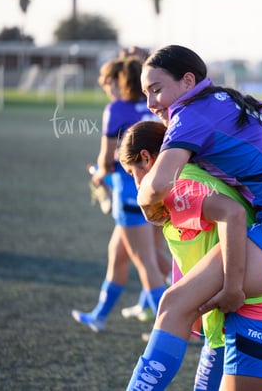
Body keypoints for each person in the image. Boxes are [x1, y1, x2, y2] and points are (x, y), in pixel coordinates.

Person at [124, 45, 262, 389]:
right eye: (145, 93)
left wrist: (145, 202)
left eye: (156, 90)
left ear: (188, 81)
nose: (151, 103)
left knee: (175, 303)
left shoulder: (191, 114)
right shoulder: (225, 102)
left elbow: (155, 186)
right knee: (195, 305)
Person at [120, 120, 262, 390]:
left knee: (171, 304)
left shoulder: (178, 185)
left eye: (132, 173)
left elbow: (231, 213)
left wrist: (231, 288)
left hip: (259, 316)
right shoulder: (202, 175)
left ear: (146, 157)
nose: (136, 182)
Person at [71, 56, 171, 332]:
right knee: (119, 255)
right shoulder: (156, 105)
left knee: (147, 263)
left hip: (130, 192)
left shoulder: (116, 109)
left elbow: (106, 160)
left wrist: (98, 173)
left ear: (119, 82)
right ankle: (99, 316)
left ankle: (170, 327)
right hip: (159, 187)